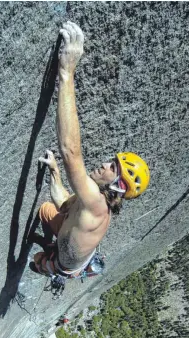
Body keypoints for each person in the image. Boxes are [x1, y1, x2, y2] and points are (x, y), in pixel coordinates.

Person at [33, 21, 150, 278]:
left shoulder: (96, 205)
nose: (107, 164)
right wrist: (55, 173)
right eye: (113, 161)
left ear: (117, 186)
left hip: (65, 265)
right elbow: (65, 203)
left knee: (37, 260)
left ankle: (46, 259)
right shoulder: (90, 198)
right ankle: (52, 244)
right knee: (45, 209)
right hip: (67, 235)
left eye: (113, 169)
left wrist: (67, 71)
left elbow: (70, 151)